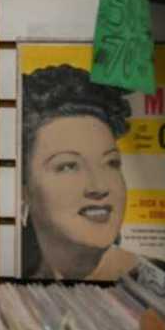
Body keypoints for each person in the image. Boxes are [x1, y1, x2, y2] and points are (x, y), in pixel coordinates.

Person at [20, 64, 137, 281]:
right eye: (68, 166)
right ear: (23, 192)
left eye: (111, 163)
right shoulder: (14, 286)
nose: (99, 187)